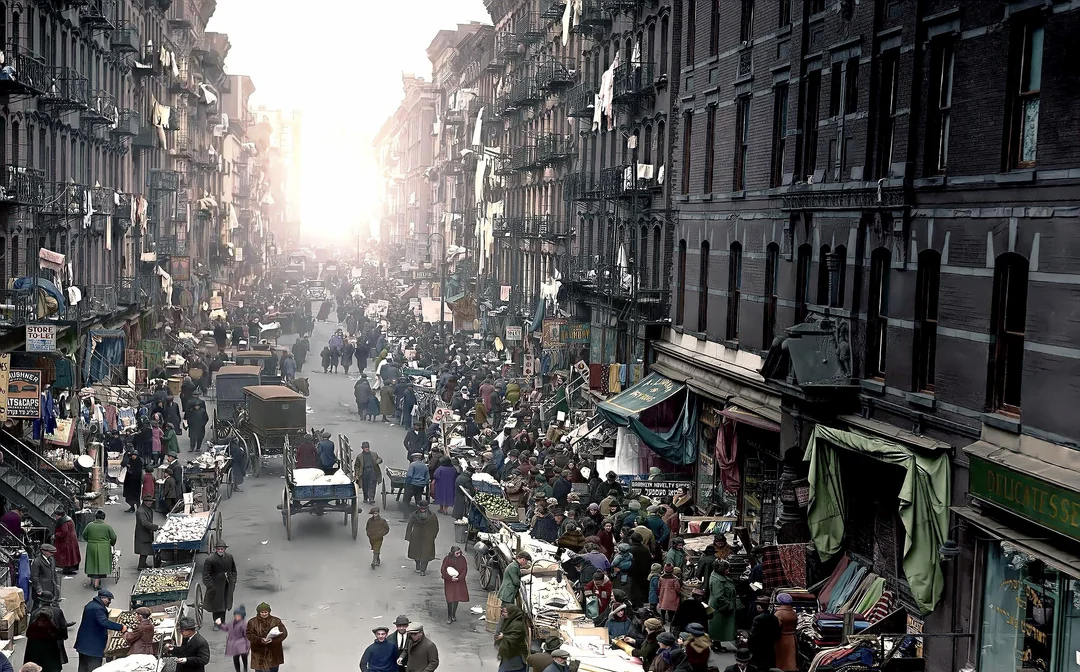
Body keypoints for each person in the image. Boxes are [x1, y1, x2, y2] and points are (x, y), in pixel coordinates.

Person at [74, 589, 125, 672]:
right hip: (92, 646)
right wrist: (120, 627)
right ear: (103, 598)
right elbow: (103, 622)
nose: (109, 602)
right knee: (94, 668)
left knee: (83, 666)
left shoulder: (91, 605)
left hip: (84, 644)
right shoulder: (98, 609)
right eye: (109, 599)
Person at [23, 590, 72, 672]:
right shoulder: (57, 611)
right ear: (51, 601)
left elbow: (29, 632)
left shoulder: (35, 613)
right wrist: (63, 637)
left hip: (37, 646)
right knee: (53, 666)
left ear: (41, 601)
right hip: (53, 645)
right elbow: (63, 627)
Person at [203, 540, 237, 628]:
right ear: (216, 550)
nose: (220, 551)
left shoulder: (229, 557)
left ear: (225, 549)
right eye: (219, 549)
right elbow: (206, 575)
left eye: (222, 549)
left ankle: (223, 621)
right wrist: (211, 586)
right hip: (216, 586)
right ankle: (217, 623)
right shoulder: (210, 559)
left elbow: (233, 570)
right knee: (217, 606)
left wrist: (233, 580)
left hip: (227, 585)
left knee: (225, 604)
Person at [246, 602, 288, 672]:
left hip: (274, 652)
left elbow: (284, 633)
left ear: (269, 612)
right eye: (262, 612)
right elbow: (249, 634)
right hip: (258, 653)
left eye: (266, 612)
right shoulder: (252, 622)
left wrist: (273, 641)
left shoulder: (276, 621)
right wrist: (259, 640)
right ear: (259, 612)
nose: (264, 614)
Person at [82, 511, 116, 591]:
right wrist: (111, 543)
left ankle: (93, 579)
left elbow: (84, 535)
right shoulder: (107, 527)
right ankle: (96, 584)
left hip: (91, 546)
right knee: (101, 564)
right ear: (104, 518)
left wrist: (89, 541)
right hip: (103, 547)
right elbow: (113, 537)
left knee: (92, 563)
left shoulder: (89, 525)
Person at [404, 500, 439, 575]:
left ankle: (423, 569)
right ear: (418, 507)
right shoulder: (414, 515)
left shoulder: (432, 515)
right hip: (416, 536)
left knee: (426, 553)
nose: (423, 510)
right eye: (421, 508)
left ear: (427, 508)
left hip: (428, 537)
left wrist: (432, 536)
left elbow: (436, 527)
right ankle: (418, 566)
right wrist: (408, 536)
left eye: (424, 508)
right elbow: (410, 525)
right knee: (416, 552)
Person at [708, 561, 738, 648]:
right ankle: (716, 644)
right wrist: (728, 604)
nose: (729, 571)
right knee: (718, 626)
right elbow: (719, 596)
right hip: (720, 607)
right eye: (726, 569)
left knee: (720, 626)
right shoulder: (717, 580)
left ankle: (717, 644)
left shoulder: (718, 576)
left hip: (720, 606)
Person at [440, 545, 469, 624]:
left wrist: (459, 578)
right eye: (457, 553)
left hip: (459, 582)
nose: (459, 555)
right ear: (453, 553)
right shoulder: (447, 559)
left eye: (459, 553)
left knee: (456, 598)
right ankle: (449, 616)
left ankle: (453, 614)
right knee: (450, 599)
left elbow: (464, 570)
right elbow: (443, 569)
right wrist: (450, 578)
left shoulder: (462, 559)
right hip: (449, 583)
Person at [495, 604, 529, 672]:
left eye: (505, 612)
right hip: (508, 655)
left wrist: (503, 637)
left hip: (515, 655)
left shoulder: (518, 625)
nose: (503, 614)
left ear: (512, 613)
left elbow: (514, 638)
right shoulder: (507, 621)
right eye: (502, 612)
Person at [218, 605, 250, 672]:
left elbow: (247, 636)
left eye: (238, 615)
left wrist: (248, 647)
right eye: (236, 615)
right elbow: (226, 628)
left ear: (242, 616)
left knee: (244, 657)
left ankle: (245, 669)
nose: (236, 617)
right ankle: (238, 670)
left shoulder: (244, 624)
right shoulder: (232, 622)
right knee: (235, 658)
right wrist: (220, 625)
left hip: (241, 644)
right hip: (234, 645)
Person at [51, 508, 80, 576]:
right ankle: (68, 569)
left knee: (67, 556)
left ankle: (67, 570)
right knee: (71, 556)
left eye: (56, 515)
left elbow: (64, 532)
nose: (55, 517)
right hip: (71, 540)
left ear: (60, 515)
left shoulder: (64, 522)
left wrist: (56, 535)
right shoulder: (68, 519)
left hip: (66, 542)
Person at [134, 494, 160, 569]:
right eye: (148, 501)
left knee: (145, 549)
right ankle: (141, 565)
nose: (150, 503)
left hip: (146, 532)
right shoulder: (141, 511)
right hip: (142, 533)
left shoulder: (147, 509)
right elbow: (144, 523)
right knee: (144, 549)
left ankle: (143, 564)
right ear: (144, 502)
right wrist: (156, 527)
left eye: (151, 501)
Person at [773, 593, 797, 672]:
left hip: (782, 638)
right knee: (791, 657)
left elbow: (777, 627)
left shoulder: (778, 613)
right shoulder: (793, 613)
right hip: (792, 637)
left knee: (782, 657)